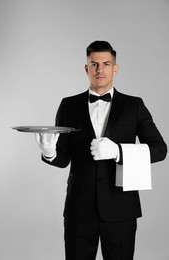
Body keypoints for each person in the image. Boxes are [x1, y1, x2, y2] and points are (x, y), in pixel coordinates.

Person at [35, 41, 167, 260]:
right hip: (79, 209)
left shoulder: (134, 106)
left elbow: (160, 149)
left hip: (121, 210)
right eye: (94, 64)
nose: (100, 70)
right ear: (86, 68)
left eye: (106, 64)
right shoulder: (68, 105)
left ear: (115, 68)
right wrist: (49, 153)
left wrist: (118, 152)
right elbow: (64, 158)